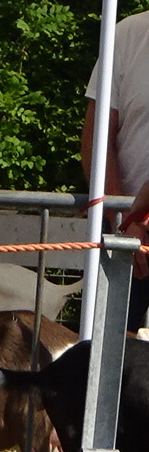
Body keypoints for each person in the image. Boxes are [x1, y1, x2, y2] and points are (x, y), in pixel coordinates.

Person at [82, 9, 149, 328]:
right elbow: (96, 140)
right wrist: (125, 221)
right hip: (129, 235)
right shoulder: (126, 34)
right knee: (108, 357)